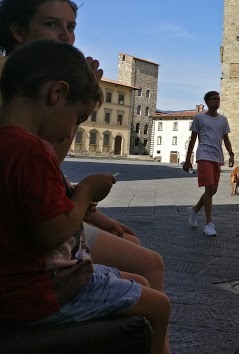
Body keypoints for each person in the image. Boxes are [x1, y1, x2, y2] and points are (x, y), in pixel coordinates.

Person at [0, 41, 170, 354]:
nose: (70, 132)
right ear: (57, 94)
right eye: (77, 117)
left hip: (23, 285)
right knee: (158, 306)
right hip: (43, 291)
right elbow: (50, 232)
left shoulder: (9, 142)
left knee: (141, 284)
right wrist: (87, 191)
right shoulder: (32, 149)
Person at [0, 0, 165, 292]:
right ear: (19, 30)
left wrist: (93, 215)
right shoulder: (18, 89)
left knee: (129, 240)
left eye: (71, 27)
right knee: (148, 263)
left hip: (40, 211)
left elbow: (45, 170)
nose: (66, 36)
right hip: (26, 228)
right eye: (51, 24)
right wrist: (77, 104)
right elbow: (44, 160)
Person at [183, 91, 234, 236]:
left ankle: (194, 210)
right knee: (210, 188)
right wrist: (188, 160)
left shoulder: (223, 120)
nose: (217, 101)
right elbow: (193, 139)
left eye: (218, 99)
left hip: (217, 157)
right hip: (203, 155)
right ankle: (209, 223)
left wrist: (231, 154)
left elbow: (226, 138)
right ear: (207, 102)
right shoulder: (199, 118)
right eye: (213, 99)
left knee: (212, 191)